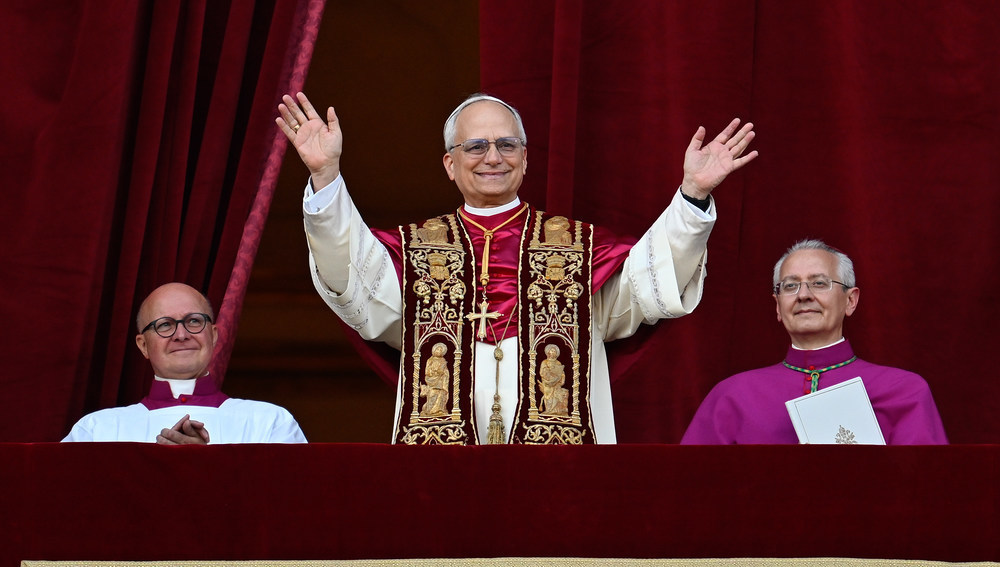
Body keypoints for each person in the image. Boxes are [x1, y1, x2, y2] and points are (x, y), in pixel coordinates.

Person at [276, 91, 757, 444]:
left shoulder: (579, 249)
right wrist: (325, 176)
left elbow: (650, 281)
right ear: (449, 163)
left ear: (525, 160)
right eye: (475, 146)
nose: (493, 157)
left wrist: (693, 196)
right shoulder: (414, 250)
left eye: (507, 145)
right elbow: (352, 280)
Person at [681, 239, 948, 445]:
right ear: (778, 306)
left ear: (850, 300)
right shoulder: (732, 396)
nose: (803, 295)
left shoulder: (904, 391)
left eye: (819, 283)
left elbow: (926, 487)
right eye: (790, 286)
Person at [63, 283, 307, 444]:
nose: (181, 335)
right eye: (165, 325)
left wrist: (206, 466)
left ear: (213, 335)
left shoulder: (269, 423)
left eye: (193, 321)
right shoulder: (97, 431)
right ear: (143, 345)